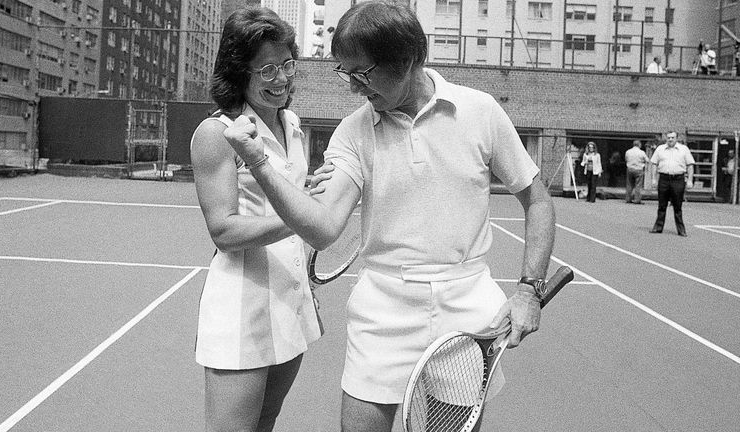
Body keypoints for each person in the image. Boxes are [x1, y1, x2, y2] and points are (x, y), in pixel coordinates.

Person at [221, 2, 556, 431]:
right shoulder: (353, 131)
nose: (355, 87)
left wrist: (529, 289)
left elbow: (539, 201)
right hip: (382, 309)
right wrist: (259, 164)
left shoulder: (481, 111)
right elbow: (323, 229)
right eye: (347, 73)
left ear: (410, 59)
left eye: (364, 73)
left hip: (467, 305)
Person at [189, 8, 322, 431]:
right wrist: (304, 214)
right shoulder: (216, 133)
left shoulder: (292, 124)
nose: (281, 79)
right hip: (241, 308)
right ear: (237, 72)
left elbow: (286, 190)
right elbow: (224, 230)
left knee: (266, 420)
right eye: (266, 69)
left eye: (286, 64)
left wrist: (312, 189)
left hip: (291, 300)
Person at [649, 131, 695, 236]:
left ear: (676, 138)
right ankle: (658, 227)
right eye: (668, 137)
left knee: (678, 206)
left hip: (678, 179)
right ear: (666, 138)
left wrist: (690, 180)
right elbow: (654, 164)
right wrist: (653, 179)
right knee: (662, 205)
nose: (670, 139)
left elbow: (690, 165)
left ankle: (681, 230)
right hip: (664, 178)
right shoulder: (660, 149)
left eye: (672, 137)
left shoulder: (684, 149)